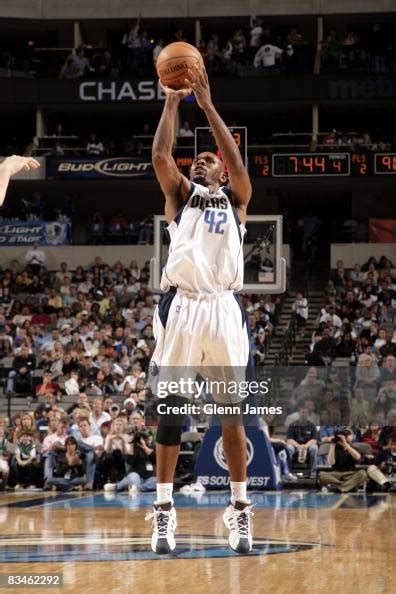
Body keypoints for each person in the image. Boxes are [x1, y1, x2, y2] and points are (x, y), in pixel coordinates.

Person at [148, 64, 252, 555]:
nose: (200, 164)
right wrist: (172, 99)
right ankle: (164, 513)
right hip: (183, 307)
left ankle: (238, 510)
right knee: (170, 414)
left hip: (224, 308)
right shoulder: (180, 198)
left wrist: (207, 105)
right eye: (197, 162)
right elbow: (160, 154)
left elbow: (237, 163)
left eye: (208, 161)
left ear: (222, 171)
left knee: (233, 417)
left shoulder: (236, 199)